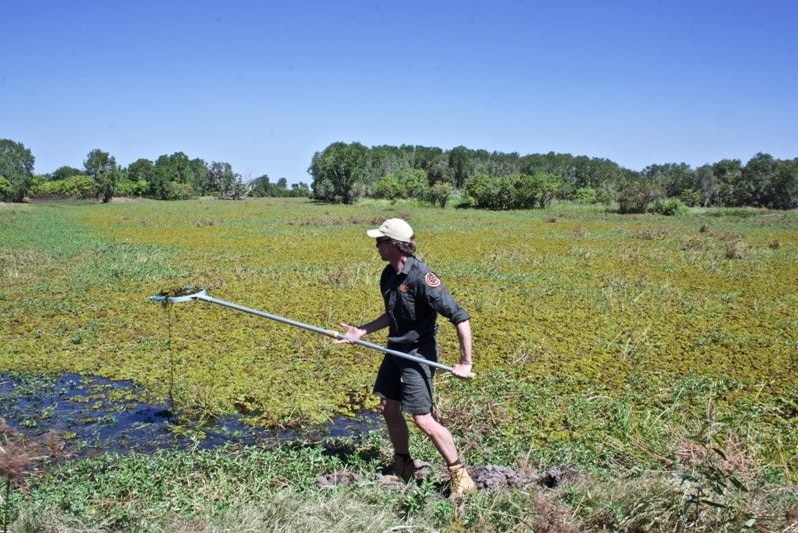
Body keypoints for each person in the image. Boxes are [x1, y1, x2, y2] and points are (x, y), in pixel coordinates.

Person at [337, 218, 477, 498]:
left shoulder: (423, 278)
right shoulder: (387, 275)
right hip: (394, 351)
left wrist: (465, 362)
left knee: (423, 420)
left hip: (417, 355)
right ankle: (403, 465)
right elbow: (394, 314)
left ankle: (460, 476)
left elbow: (460, 318)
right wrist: (361, 331)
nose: (376, 245)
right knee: (388, 407)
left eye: (380, 241)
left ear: (393, 245)